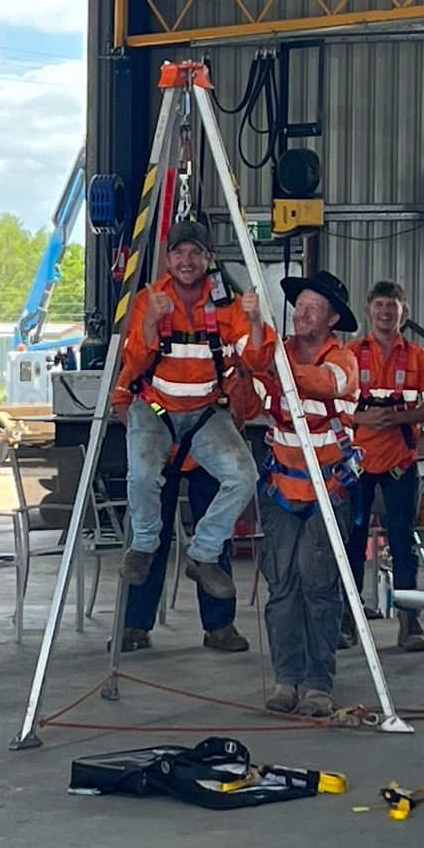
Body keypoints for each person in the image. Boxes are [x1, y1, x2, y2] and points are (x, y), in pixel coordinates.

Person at [118, 219, 275, 601]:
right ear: (168, 259)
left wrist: (256, 321)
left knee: (243, 475)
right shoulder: (150, 300)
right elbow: (134, 363)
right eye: (179, 252)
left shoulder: (227, 306)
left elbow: (255, 360)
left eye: (195, 253)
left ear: (209, 258)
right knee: (142, 474)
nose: (186, 260)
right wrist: (152, 320)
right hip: (155, 410)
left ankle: (203, 553)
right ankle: (144, 545)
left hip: (206, 413)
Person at [257, 271, 360, 718]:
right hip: (281, 490)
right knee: (282, 587)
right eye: (300, 305)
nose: (302, 313)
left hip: (327, 490)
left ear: (333, 319)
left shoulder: (343, 361)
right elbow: (249, 402)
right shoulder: (275, 353)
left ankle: (318, 684)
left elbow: (324, 384)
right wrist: (247, 362)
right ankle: (286, 680)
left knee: (319, 587)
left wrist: (269, 364)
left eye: (314, 307)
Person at [112, 365, 253, 653]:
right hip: (161, 456)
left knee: (214, 539)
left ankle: (219, 625)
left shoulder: (214, 357)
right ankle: (135, 624)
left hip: (204, 459)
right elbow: (122, 401)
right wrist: (151, 443)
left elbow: (237, 410)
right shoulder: (150, 357)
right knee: (146, 542)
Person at [344, 280, 424, 653]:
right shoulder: (350, 355)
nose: (386, 312)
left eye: (393, 305)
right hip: (356, 464)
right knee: (352, 542)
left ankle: (409, 619)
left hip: (400, 463)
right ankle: (348, 616)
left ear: (405, 312)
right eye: (380, 305)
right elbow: (332, 406)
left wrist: (397, 418)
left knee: (403, 542)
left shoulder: (418, 358)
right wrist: (364, 418)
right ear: (368, 309)